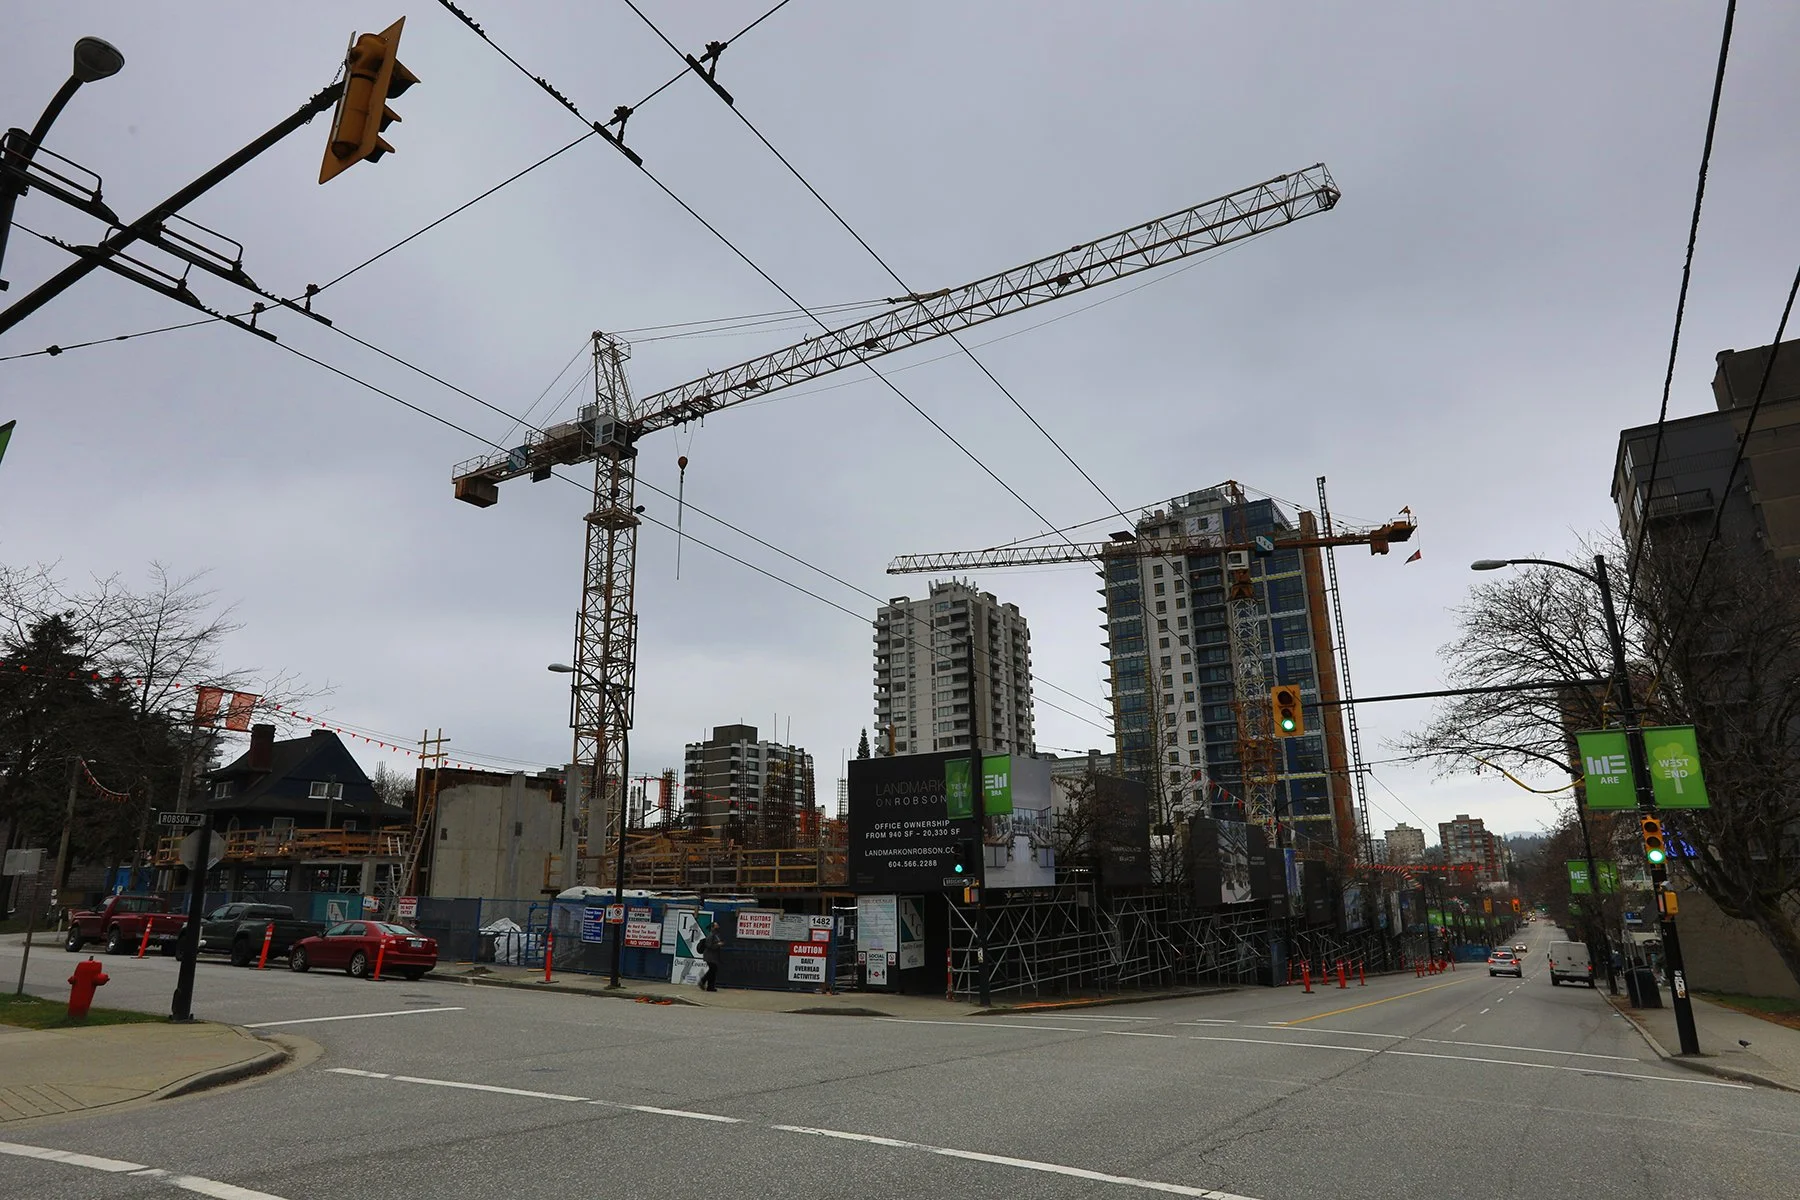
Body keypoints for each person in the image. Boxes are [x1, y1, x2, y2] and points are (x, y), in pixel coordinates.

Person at [699, 926, 723, 992]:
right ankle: (703, 981)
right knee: (713, 970)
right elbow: (709, 945)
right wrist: (718, 944)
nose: (718, 926)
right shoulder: (711, 935)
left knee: (713, 971)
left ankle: (710, 987)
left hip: (714, 956)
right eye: (716, 925)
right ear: (712, 928)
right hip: (709, 956)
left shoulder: (716, 935)